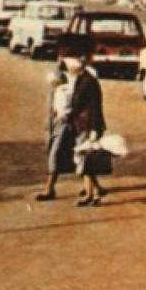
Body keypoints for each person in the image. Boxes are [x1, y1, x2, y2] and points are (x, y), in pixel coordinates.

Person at [66, 55, 109, 205]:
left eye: (70, 66)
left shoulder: (88, 82)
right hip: (83, 125)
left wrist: (94, 129)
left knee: (85, 160)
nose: (68, 69)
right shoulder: (82, 80)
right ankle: (94, 193)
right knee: (85, 161)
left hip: (88, 126)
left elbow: (94, 106)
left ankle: (91, 195)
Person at [36, 64, 75, 201]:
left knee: (55, 156)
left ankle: (49, 189)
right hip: (53, 127)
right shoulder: (54, 92)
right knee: (71, 158)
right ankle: (94, 188)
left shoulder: (66, 91)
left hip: (63, 127)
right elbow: (50, 114)